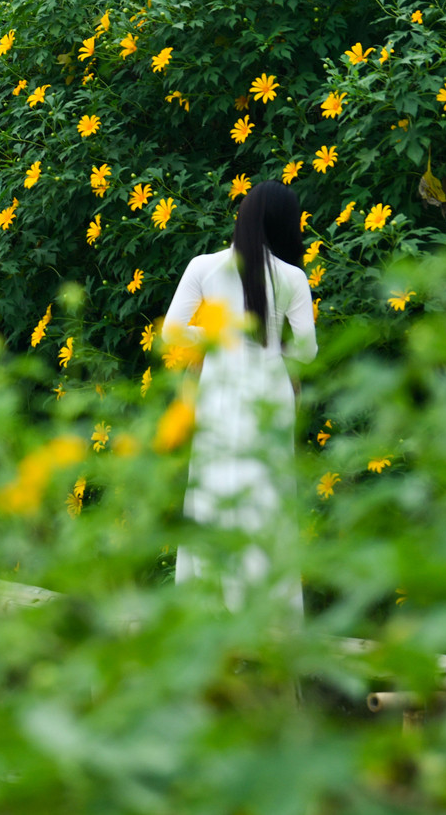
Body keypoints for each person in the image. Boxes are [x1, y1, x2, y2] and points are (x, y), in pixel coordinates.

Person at [160, 180, 316, 613]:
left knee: (212, 486)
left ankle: (208, 607)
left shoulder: (203, 267)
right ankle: (271, 613)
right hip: (269, 386)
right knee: (269, 490)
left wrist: (220, 334)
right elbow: (307, 351)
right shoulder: (292, 277)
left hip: (220, 384)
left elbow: (172, 332)